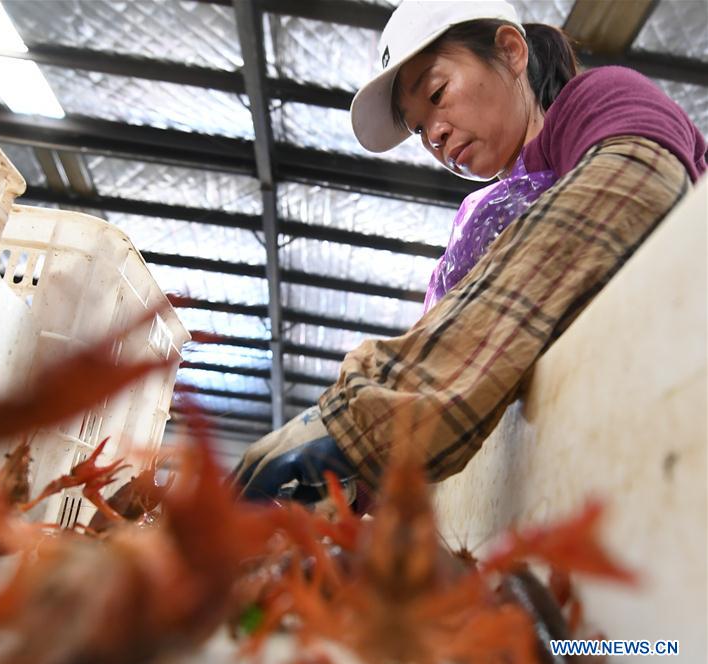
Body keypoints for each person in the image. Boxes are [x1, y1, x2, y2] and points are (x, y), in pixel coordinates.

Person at [232, 0, 706, 504]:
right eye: (418, 129)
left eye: (438, 92)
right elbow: (467, 355)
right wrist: (358, 487)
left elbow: (635, 182)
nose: (433, 136)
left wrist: (365, 417)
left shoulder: (595, 100)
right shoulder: (481, 226)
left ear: (510, 51)